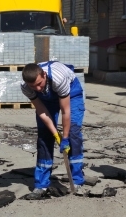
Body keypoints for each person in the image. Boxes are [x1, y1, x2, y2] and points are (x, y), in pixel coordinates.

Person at [20, 61, 85, 200]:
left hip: (71, 93)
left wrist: (65, 138)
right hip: (47, 101)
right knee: (45, 136)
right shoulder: (26, 87)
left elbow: (65, 111)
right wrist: (56, 134)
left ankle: (77, 180)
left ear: (44, 75)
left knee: (73, 133)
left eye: (39, 83)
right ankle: (41, 184)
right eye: (33, 86)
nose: (37, 88)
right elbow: (42, 111)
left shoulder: (58, 78)